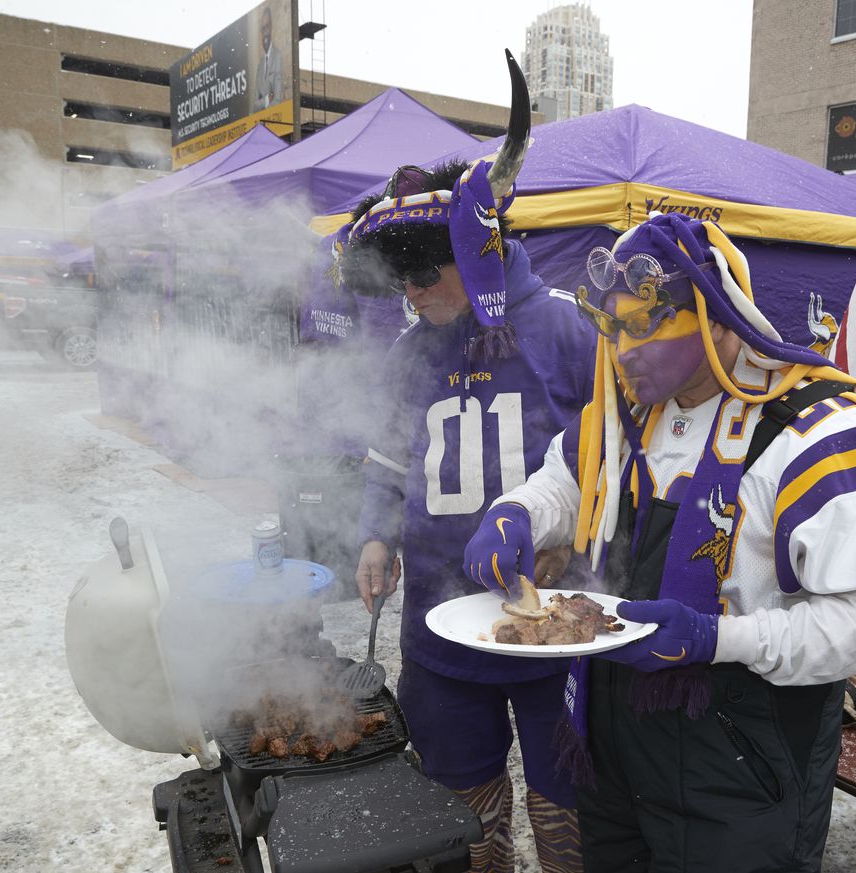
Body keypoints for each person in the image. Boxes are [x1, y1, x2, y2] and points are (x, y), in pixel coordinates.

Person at [463, 213, 856, 872]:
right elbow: (567, 480)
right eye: (611, 327)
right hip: (611, 757)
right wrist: (515, 513)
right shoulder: (629, 409)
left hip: (740, 777)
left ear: (717, 318)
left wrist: (720, 638)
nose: (621, 349)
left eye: (642, 326)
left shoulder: (820, 431)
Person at [336, 54, 596, 873]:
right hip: (441, 620)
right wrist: (377, 534)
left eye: (421, 271)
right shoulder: (411, 352)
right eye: (398, 278)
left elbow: (617, 461)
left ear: (474, 247)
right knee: (460, 812)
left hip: (549, 614)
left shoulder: (567, 328)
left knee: (569, 802)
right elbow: (386, 455)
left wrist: (576, 532)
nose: (410, 292)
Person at [252, 6, 283, 112]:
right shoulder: (260, 66)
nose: (265, 32)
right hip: (263, 122)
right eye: (263, 29)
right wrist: (266, 100)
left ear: (271, 27)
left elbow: (277, 99)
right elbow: (254, 105)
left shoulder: (277, 56)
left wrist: (264, 113)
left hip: (274, 120)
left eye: (267, 27)